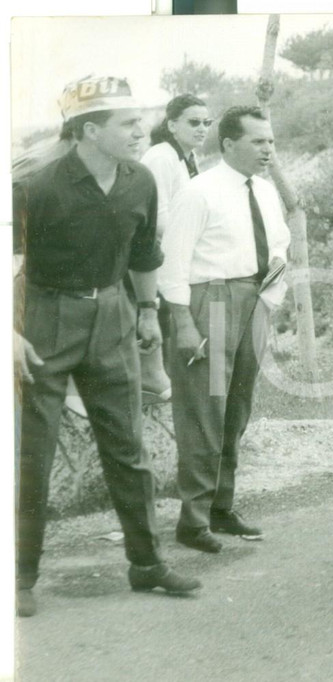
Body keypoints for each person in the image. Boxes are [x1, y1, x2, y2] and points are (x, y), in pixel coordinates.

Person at [12, 75, 202, 617]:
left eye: (140, 118)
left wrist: (147, 312)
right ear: (90, 130)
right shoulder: (35, 184)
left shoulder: (139, 179)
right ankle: (20, 577)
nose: (143, 129)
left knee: (128, 446)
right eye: (128, 122)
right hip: (42, 318)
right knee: (32, 456)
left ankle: (147, 564)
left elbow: (145, 254)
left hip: (114, 316)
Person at [158, 105, 290, 554]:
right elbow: (172, 263)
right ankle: (192, 520)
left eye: (270, 141)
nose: (267, 149)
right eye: (258, 141)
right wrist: (183, 325)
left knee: (237, 408)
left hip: (253, 303)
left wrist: (270, 299)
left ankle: (221, 506)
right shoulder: (200, 192)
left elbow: (279, 245)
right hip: (212, 304)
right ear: (229, 144)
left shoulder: (267, 191)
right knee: (205, 410)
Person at [139, 93, 212, 399]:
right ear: (172, 124)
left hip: (178, 255)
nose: (202, 129)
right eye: (194, 122)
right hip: (154, 258)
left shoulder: (186, 157)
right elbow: (156, 218)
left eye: (207, 123)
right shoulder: (161, 158)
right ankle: (158, 380)